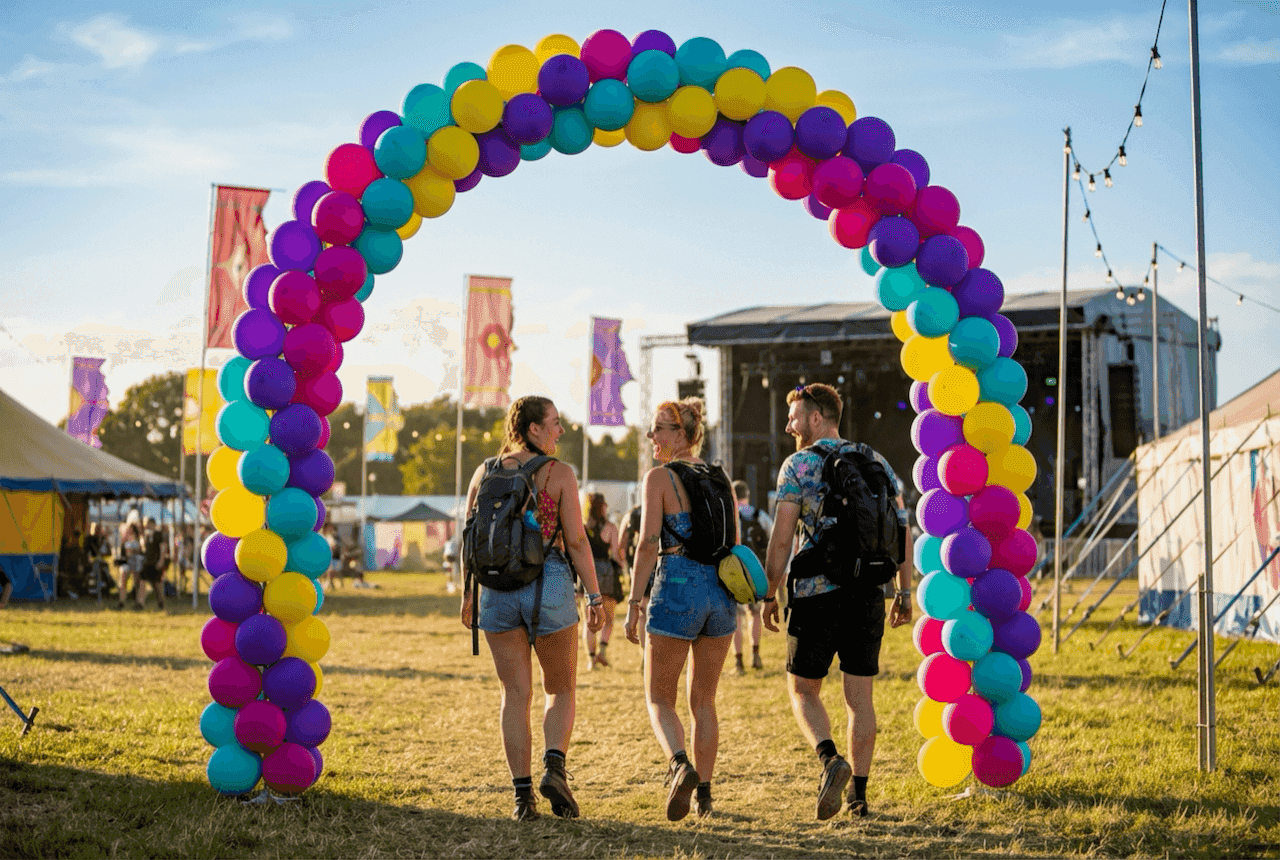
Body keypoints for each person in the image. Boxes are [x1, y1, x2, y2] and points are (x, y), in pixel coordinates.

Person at [761, 383, 914, 820]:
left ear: (816, 417)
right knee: (859, 698)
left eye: (794, 416)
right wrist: (902, 592)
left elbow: (782, 538)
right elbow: (902, 529)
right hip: (869, 593)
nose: (788, 424)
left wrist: (770, 592)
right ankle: (860, 798)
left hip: (816, 594)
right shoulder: (877, 461)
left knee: (803, 689)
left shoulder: (799, 465)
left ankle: (831, 760)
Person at [459, 395, 605, 822]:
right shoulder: (558, 473)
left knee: (513, 694)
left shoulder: (484, 471)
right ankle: (554, 768)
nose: (560, 431)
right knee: (559, 689)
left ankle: (523, 799)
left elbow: (470, 536)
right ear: (533, 429)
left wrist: (468, 595)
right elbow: (576, 541)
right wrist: (595, 596)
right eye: (555, 423)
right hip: (550, 583)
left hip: (496, 592)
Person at [624, 397, 738, 821]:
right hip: (721, 594)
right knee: (704, 700)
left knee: (658, 696)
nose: (651, 435)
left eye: (659, 429)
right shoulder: (720, 476)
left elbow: (648, 543)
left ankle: (679, 764)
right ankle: (705, 795)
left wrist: (634, 603)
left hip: (677, 586)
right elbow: (736, 544)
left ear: (682, 435)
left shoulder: (660, 478)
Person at [731, 480, 772, 675]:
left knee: (737, 617)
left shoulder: (730, 518)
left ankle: (738, 662)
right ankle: (755, 654)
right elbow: (773, 539)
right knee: (754, 613)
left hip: (735, 573)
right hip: (756, 572)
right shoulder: (759, 515)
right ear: (747, 494)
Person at [581, 492, 624, 670]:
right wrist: (624, 567)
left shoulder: (582, 526)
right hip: (606, 573)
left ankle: (591, 660)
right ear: (602, 506)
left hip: (587, 572)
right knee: (608, 618)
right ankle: (603, 652)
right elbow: (615, 552)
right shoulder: (611, 527)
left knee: (589, 621)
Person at [618, 503, 648, 650]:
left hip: (636, 566)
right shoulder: (658, 509)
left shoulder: (630, 514)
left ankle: (645, 653)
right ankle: (650, 650)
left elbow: (621, 543)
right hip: (657, 563)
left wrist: (626, 565)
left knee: (642, 611)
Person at [137, 518, 168, 610]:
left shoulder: (158, 534)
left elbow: (163, 547)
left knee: (157, 584)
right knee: (142, 581)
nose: (147, 526)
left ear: (153, 524)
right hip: (147, 562)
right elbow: (144, 548)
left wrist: (161, 561)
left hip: (156, 562)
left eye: (149, 524)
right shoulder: (146, 535)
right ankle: (140, 603)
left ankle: (161, 601)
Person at [115, 523, 143, 610]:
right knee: (123, 575)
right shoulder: (124, 540)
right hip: (127, 563)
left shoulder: (140, 540)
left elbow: (140, 551)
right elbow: (125, 554)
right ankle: (121, 601)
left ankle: (138, 602)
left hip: (137, 562)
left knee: (137, 578)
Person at [324, 523, 343, 592]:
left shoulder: (337, 537)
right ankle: (331, 584)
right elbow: (330, 546)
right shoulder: (328, 537)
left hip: (337, 557)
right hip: (330, 557)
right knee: (330, 571)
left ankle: (341, 584)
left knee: (338, 572)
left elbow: (339, 546)